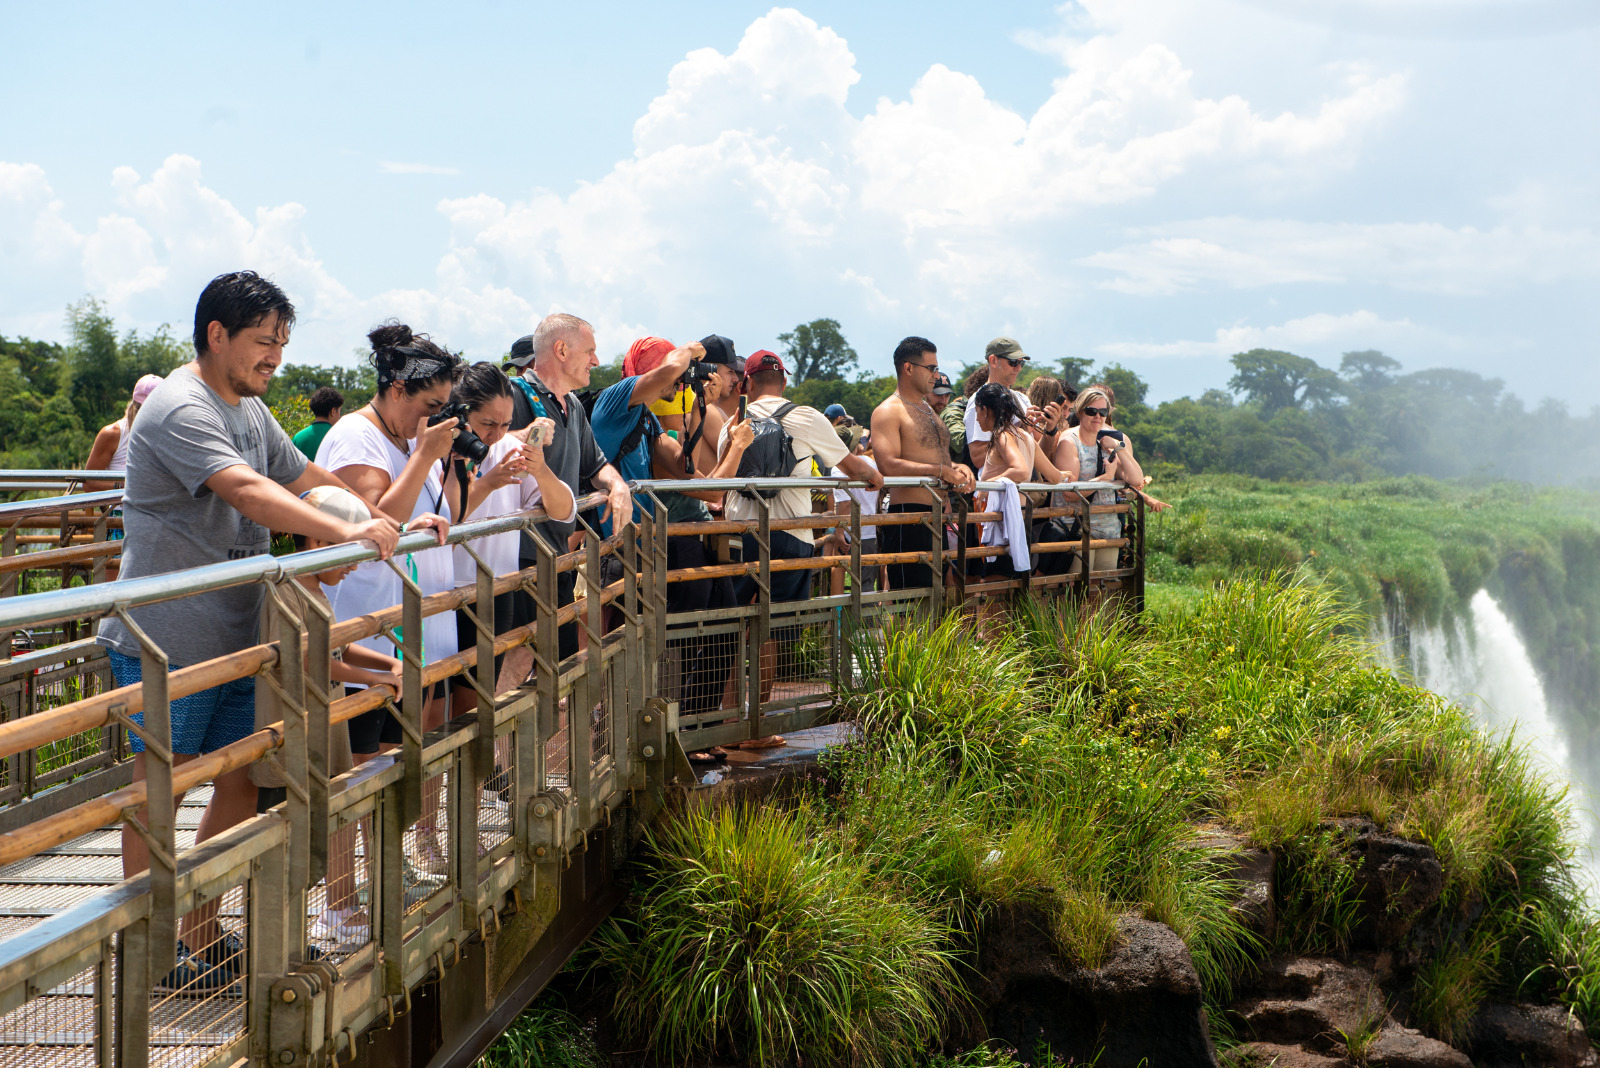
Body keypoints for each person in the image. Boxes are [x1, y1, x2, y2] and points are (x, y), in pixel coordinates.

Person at [98, 271, 404, 994]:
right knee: (161, 791)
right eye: (264, 341)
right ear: (217, 334)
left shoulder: (251, 410)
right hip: (167, 637)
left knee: (241, 779)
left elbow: (301, 475)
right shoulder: (182, 405)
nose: (275, 357)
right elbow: (245, 488)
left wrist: (378, 518)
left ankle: (200, 933)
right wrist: (340, 532)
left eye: (282, 343)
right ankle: (151, 949)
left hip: (240, 633)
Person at [315, 322, 457, 872]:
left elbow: (394, 517)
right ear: (398, 389)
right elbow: (370, 526)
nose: (436, 418)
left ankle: (379, 879)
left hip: (400, 628)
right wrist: (424, 457)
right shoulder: (358, 436)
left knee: (392, 763)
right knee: (356, 772)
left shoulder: (407, 439)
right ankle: (342, 894)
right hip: (361, 627)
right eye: (431, 405)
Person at [719, 351, 882, 730]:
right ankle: (756, 727)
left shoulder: (734, 422)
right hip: (791, 535)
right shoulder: (807, 416)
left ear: (747, 383)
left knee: (731, 630)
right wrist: (876, 478)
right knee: (771, 632)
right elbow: (852, 467)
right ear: (785, 382)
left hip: (740, 535)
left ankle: (725, 722)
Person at [500, 315, 634, 667]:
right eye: (589, 351)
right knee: (519, 662)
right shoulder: (513, 394)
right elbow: (479, 444)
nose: (596, 360)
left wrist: (617, 485)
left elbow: (596, 465)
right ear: (561, 350)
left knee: (557, 664)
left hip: (557, 556)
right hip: (518, 557)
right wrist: (521, 434)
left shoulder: (573, 405)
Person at [441, 363, 573, 717]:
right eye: (488, 424)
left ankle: (479, 755)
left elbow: (563, 511)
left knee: (474, 703)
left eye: (505, 424)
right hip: (441, 590)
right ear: (462, 412)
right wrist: (489, 483)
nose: (496, 435)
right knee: (432, 707)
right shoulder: (438, 449)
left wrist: (540, 470)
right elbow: (446, 520)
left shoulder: (509, 449)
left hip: (495, 591)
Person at [869, 337, 975, 591]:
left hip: (939, 515)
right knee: (912, 601)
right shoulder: (888, 410)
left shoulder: (927, 410)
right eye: (931, 368)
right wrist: (941, 471)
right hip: (910, 517)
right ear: (908, 368)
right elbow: (887, 465)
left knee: (938, 598)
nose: (936, 375)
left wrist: (957, 468)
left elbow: (933, 456)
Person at [971, 383, 1067, 582]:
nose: (977, 418)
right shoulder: (1025, 436)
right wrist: (1066, 475)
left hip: (1003, 522)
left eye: (977, 411)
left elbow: (1021, 470)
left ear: (985, 410)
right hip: (1021, 520)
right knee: (1016, 587)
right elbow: (1055, 477)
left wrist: (986, 486)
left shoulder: (1002, 434)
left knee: (996, 588)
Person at [1053, 386, 1145, 579]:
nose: (1097, 416)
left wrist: (1118, 447)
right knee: (1077, 588)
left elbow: (1136, 479)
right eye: (1091, 411)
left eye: (1103, 412)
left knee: (1103, 589)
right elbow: (1069, 493)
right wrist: (1104, 479)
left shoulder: (1106, 443)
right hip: (1078, 529)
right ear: (1080, 411)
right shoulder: (1069, 442)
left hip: (1108, 530)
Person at [965, 337, 1034, 471]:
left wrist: (1050, 430)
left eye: (1022, 363)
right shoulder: (979, 400)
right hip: (997, 483)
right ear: (993, 361)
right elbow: (978, 458)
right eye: (1013, 362)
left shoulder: (1023, 399)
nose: (1019, 368)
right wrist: (1020, 432)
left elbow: (1036, 450)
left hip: (1023, 482)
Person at [84, 373, 163, 491]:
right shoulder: (113, 433)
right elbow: (89, 483)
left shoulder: (171, 434)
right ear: (137, 408)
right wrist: (126, 487)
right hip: (121, 503)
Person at [292, 386, 345, 461]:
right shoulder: (339, 436)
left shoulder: (298, 438)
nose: (339, 416)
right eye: (339, 411)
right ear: (333, 411)